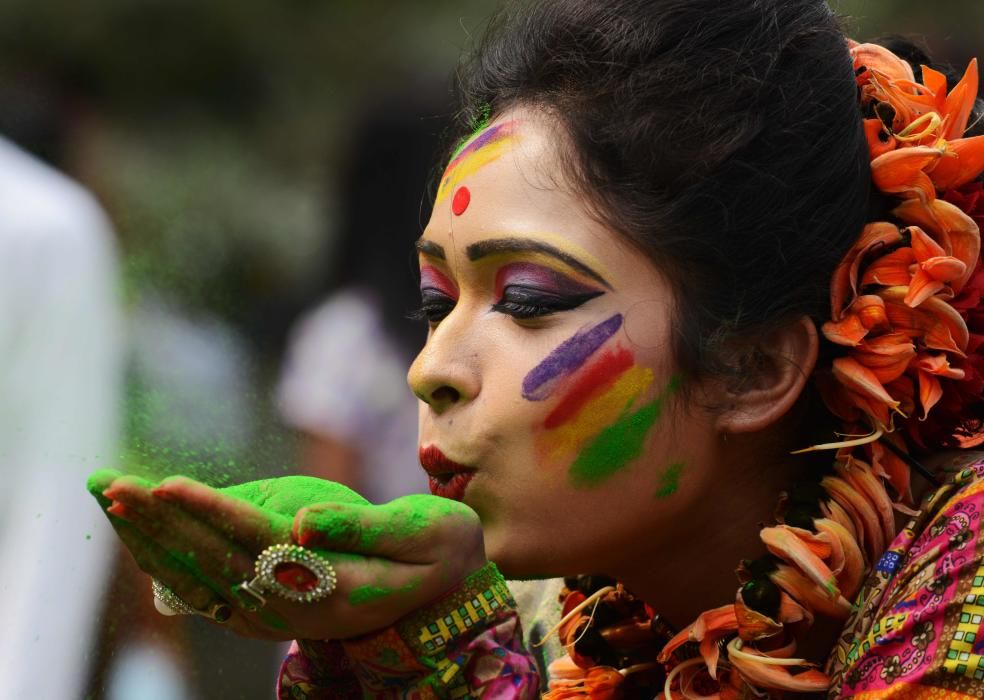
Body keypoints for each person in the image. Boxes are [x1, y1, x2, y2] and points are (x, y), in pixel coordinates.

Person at [90, 0, 984, 697]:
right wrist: (404, 643)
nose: (430, 367)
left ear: (753, 367)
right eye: (436, 301)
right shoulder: (570, 612)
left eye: (525, 300)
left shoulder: (964, 594)